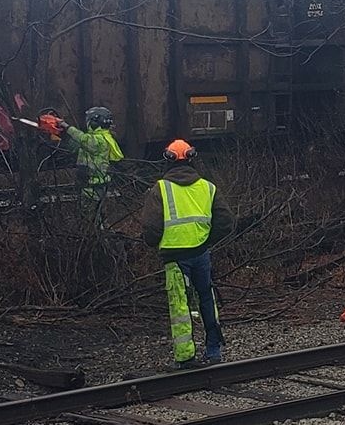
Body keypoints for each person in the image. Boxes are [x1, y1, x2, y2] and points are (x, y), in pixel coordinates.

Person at [140, 139, 232, 365]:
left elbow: (150, 229)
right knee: (207, 300)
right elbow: (226, 221)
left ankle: (185, 357)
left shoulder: (160, 189)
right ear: (192, 159)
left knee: (180, 306)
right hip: (201, 254)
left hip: (174, 258)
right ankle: (213, 352)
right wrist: (205, 241)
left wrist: (158, 243)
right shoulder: (207, 187)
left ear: (168, 161)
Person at [55, 105, 124, 221]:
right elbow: (76, 146)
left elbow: (83, 140)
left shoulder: (100, 140)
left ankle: (96, 236)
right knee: (93, 217)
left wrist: (67, 127)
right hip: (88, 185)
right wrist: (63, 136)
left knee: (90, 218)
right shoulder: (95, 139)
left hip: (94, 187)